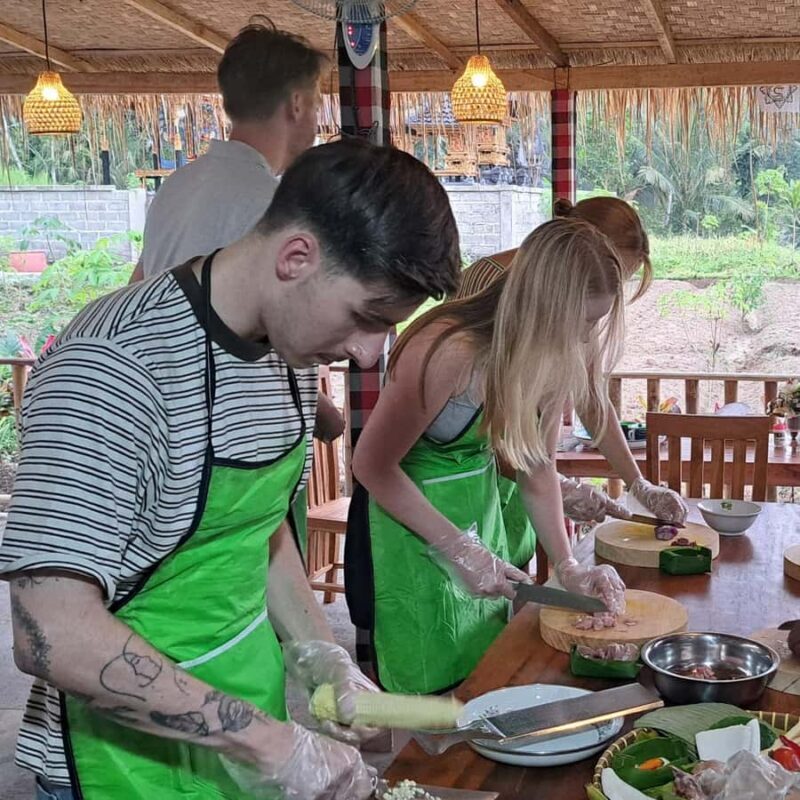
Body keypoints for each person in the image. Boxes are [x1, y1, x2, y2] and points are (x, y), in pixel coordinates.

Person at [1, 139, 461, 800]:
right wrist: (269, 741)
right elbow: (49, 631)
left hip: (243, 719)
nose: (368, 355)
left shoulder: (291, 358)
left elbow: (257, 529)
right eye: (367, 318)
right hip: (119, 759)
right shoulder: (113, 366)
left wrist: (319, 653)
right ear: (296, 256)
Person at [346, 217, 629, 696]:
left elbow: (537, 471)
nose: (584, 339)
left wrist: (568, 567)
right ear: (542, 307)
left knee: (486, 674)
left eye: (595, 324)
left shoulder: (541, 357)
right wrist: (456, 547)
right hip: (406, 531)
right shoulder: (449, 349)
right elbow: (371, 465)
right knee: (425, 693)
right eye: (580, 323)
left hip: (477, 518)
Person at [129, 21, 343, 550]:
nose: (316, 119)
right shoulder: (277, 205)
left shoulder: (176, 188)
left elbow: (135, 291)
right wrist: (321, 411)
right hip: (238, 450)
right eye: (316, 103)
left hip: (160, 435)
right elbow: (283, 333)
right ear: (296, 103)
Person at [457, 197, 687, 537]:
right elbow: (472, 420)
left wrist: (638, 484)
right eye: (611, 274)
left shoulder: (585, 312)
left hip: (527, 475)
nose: (609, 292)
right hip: (465, 484)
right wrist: (554, 484)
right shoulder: (488, 281)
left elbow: (592, 400)